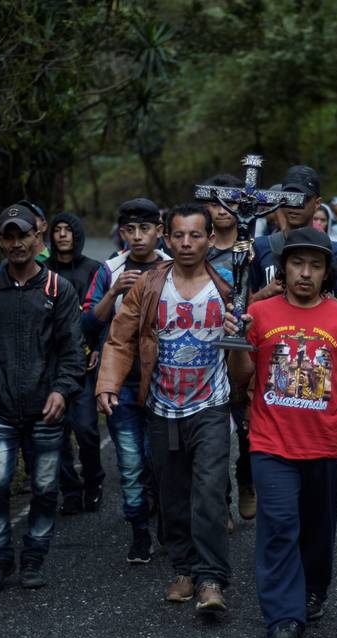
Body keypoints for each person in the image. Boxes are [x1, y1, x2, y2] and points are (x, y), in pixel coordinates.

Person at [225, 227, 337, 638]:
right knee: (278, 528)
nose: (305, 273)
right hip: (270, 444)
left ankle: (314, 589)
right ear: (284, 267)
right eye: (298, 263)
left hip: (326, 445)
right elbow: (240, 378)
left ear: (326, 272)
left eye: (315, 266)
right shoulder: (258, 314)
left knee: (317, 533)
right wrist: (238, 342)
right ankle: (283, 619)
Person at [97, 204, 234, 612]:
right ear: (167, 238)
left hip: (211, 404)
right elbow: (120, 338)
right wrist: (109, 383)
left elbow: (252, 334)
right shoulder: (150, 285)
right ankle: (184, 568)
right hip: (161, 405)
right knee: (172, 493)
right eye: (179, 236)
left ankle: (211, 578)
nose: (187, 243)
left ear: (211, 239)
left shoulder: (226, 286)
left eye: (196, 235)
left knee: (208, 492)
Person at [0, 203, 85, 594]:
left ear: (37, 237)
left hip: (45, 410)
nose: (17, 243)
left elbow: (71, 351)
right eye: (9, 237)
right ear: (0, 242)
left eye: (23, 235)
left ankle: (33, 558)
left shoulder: (57, 289)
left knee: (46, 488)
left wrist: (62, 391)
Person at [83, 198, 172, 563]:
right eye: (130, 230)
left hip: (165, 381)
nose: (138, 237)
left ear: (159, 231)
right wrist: (114, 291)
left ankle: (168, 522)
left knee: (162, 460)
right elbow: (89, 323)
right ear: (121, 233)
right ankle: (139, 533)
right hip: (122, 382)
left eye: (145, 229)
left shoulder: (173, 266)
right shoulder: (109, 269)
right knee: (131, 463)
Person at [200, 174, 258, 525]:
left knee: (251, 427)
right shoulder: (195, 251)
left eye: (232, 203)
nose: (223, 210)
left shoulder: (256, 247)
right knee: (213, 433)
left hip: (248, 348)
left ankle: (247, 477)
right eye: (215, 202)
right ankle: (220, 501)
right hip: (208, 354)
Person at [45, 210, 106, 515]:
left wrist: (97, 347)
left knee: (86, 428)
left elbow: (103, 314)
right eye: (58, 230)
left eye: (69, 229)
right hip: (48, 364)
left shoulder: (94, 269)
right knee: (56, 429)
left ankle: (94, 480)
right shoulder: (42, 272)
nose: (63, 234)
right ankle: (69, 489)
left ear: (77, 234)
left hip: (83, 362)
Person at [248, 165, 337, 309]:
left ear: (317, 203)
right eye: (289, 198)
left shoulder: (336, 252)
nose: (294, 205)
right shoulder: (260, 247)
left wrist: (325, 300)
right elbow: (241, 309)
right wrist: (265, 293)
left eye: (302, 199)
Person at [203, 174, 242, 274]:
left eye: (229, 205)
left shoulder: (253, 250)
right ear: (206, 207)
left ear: (240, 206)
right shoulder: (199, 251)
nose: (222, 211)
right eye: (215, 205)